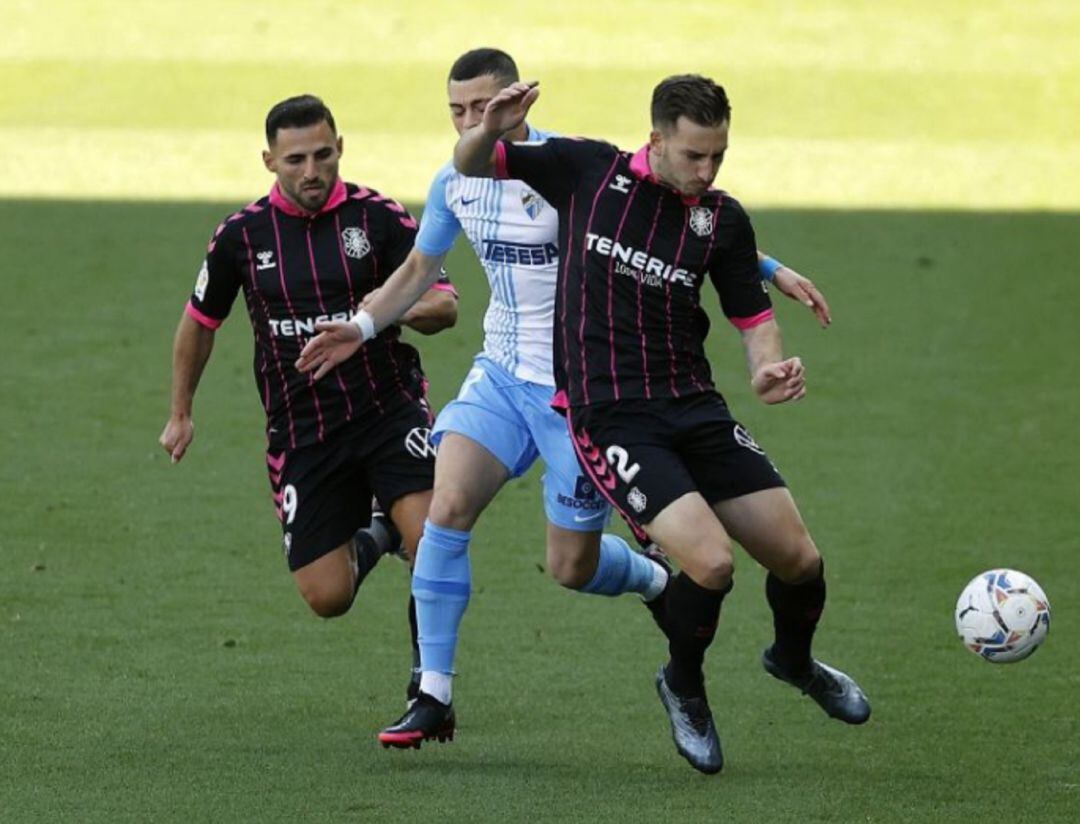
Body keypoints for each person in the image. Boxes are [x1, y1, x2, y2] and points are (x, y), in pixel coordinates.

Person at [296, 51, 832, 753]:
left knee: (571, 566)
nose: (473, 122)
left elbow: (675, 219)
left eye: (486, 107)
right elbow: (420, 267)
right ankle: (432, 691)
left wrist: (767, 266)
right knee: (446, 506)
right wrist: (364, 328)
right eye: (458, 111)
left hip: (578, 393)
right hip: (501, 377)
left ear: (515, 99)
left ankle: (645, 577)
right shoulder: (457, 180)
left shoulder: (565, 169)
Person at [447, 73, 871, 775]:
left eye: (719, 157)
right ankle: (683, 681)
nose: (706, 172)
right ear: (657, 142)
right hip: (610, 413)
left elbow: (753, 320)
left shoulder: (723, 220)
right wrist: (489, 126)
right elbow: (468, 164)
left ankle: (793, 661)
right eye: (694, 156)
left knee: (800, 561)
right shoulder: (588, 171)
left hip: (694, 406)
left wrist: (768, 372)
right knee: (710, 562)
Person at [159, 95, 458, 699]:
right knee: (328, 597)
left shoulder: (379, 219)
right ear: (270, 160)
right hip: (303, 430)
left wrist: (372, 319)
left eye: (324, 154)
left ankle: (429, 684)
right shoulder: (241, 237)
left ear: (341, 147)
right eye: (295, 159)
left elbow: (443, 303)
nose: (312, 170)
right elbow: (199, 321)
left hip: (387, 408)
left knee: (433, 542)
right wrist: (181, 412)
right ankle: (376, 532)